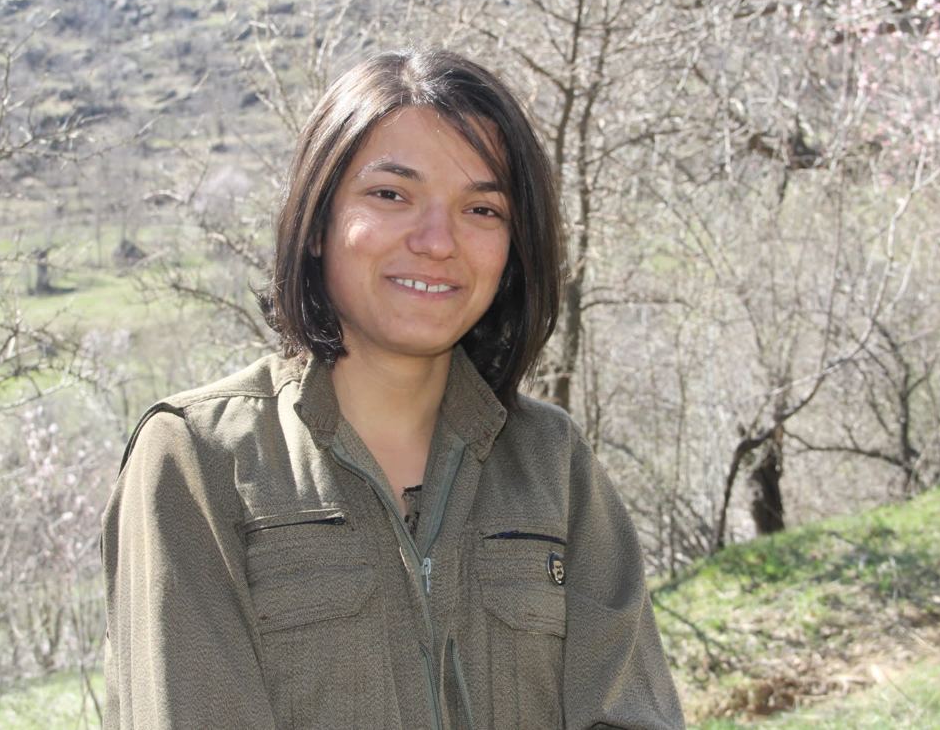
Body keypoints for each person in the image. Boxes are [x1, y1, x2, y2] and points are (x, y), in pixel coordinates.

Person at [101, 49, 685, 729]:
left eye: (482, 208)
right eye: (390, 195)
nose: (437, 241)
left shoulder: (553, 463)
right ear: (316, 224)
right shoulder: (197, 460)